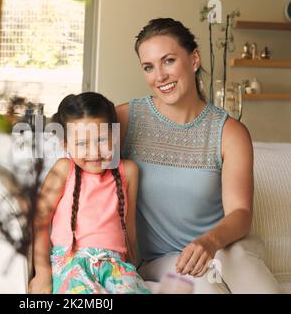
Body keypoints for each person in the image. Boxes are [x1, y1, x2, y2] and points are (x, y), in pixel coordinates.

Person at [116, 18, 281, 293]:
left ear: (194, 60)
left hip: (224, 246)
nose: (159, 76)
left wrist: (209, 242)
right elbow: (72, 146)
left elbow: (240, 212)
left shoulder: (229, 132)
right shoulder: (124, 120)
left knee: (236, 258)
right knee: (202, 282)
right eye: (148, 67)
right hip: (162, 259)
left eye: (168, 61)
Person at [28, 92, 151, 294]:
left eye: (102, 139)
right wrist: (42, 274)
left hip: (115, 267)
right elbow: (39, 222)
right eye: (82, 143)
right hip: (71, 265)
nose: (94, 152)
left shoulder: (128, 171)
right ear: (66, 145)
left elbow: (129, 229)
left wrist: (132, 273)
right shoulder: (63, 169)